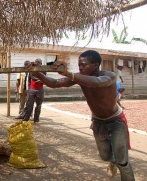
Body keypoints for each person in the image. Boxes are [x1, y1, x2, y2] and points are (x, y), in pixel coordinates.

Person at [27, 50, 134, 180]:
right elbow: (55, 83)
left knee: (122, 160)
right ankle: (113, 161)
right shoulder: (78, 77)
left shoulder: (108, 76)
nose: (80, 67)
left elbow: (97, 82)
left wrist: (68, 73)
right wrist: (37, 72)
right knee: (105, 155)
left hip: (116, 121)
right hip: (98, 121)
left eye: (84, 64)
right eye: (79, 65)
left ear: (96, 65)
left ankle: (121, 166)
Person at [23, 58, 45, 123]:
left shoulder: (44, 70)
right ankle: (26, 119)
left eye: (39, 63)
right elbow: (29, 80)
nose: (38, 64)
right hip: (32, 90)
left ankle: (36, 120)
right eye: (37, 63)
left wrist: (41, 81)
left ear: (41, 64)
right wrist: (28, 89)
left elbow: (45, 80)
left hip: (40, 90)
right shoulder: (31, 70)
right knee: (29, 105)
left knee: (38, 106)